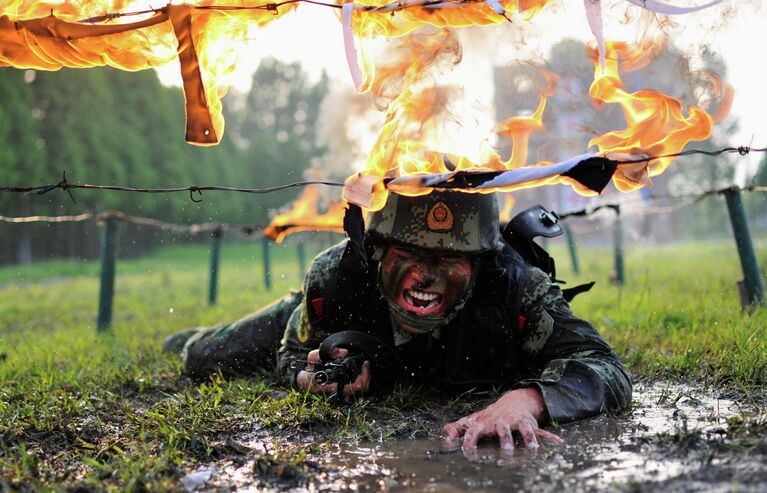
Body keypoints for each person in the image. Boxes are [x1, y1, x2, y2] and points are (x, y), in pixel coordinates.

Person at [164, 190, 632, 450]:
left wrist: (526, 400)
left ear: (480, 262)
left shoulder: (516, 289)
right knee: (201, 356)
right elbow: (291, 354)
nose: (426, 274)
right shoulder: (335, 278)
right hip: (309, 317)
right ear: (377, 251)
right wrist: (314, 378)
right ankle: (184, 335)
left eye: (450, 257)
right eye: (408, 253)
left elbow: (603, 366)